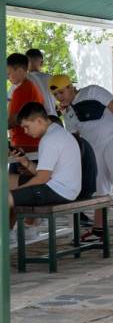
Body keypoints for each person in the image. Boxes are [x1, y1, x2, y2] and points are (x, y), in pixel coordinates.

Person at [49, 74, 113, 247]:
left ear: (70, 87)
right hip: (94, 150)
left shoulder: (92, 91)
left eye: (61, 92)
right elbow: (75, 137)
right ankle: (98, 230)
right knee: (99, 189)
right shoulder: (68, 113)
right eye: (56, 95)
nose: (59, 97)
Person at [7, 102, 82, 240]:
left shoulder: (49, 140)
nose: (26, 131)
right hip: (64, 187)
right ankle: (8, 233)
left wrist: (18, 191)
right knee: (7, 180)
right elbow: (44, 173)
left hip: (59, 190)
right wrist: (26, 162)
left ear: (39, 121)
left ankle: (4, 237)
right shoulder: (57, 132)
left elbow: (42, 178)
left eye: (27, 127)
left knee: (6, 198)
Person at [8, 53, 44, 156]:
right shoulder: (31, 87)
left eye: (9, 73)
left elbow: (13, 121)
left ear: (20, 71)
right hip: (32, 143)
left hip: (25, 144)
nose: (8, 77)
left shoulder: (21, 90)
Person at [25, 49, 58, 117]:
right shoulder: (51, 78)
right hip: (53, 117)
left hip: (35, 118)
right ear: (42, 63)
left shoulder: (23, 79)